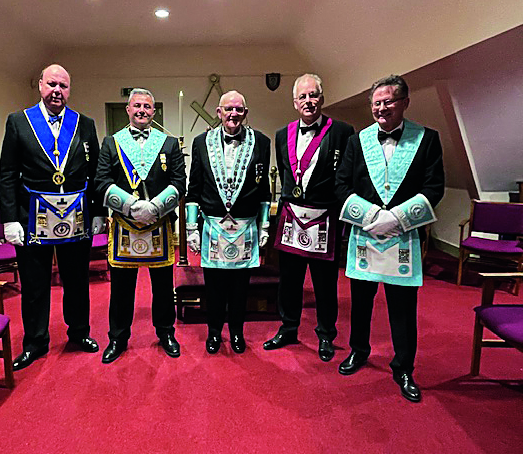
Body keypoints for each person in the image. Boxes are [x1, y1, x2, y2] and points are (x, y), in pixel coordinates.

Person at [334, 75, 444, 402]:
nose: (382, 108)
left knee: (402, 307)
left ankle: (404, 367)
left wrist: (395, 218)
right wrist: (371, 217)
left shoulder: (427, 139)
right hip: (365, 235)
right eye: (376, 103)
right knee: (361, 303)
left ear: (405, 103)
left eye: (389, 101)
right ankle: (358, 350)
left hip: (403, 236)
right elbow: (341, 186)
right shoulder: (358, 141)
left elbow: (433, 187)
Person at [0, 64, 106, 371]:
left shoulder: (84, 123)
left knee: (76, 281)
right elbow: (8, 173)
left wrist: (98, 211)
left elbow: (95, 170)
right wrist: (9, 219)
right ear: (41, 86)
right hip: (31, 217)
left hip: (77, 216)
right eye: (52, 84)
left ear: (69, 90)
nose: (57, 90)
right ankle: (34, 342)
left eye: (63, 85)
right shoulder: (19, 122)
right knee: (34, 285)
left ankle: (79, 333)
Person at [263, 74, 355, 361]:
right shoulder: (282, 134)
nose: (308, 101)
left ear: (322, 99)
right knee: (288, 280)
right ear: (294, 102)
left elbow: (346, 175)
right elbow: (286, 173)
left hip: (324, 216)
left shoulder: (342, 131)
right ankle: (288, 328)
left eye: (313, 95)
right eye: (302, 97)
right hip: (292, 215)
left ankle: (326, 334)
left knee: (325, 283)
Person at [95, 88, 186, 363]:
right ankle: (118, 338)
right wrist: (132, 207)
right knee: (121, 289)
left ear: (154, 111)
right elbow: (101, 182)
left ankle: (166, 333)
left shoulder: (169, 143)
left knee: (162, 287)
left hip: (159, 224)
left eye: (147, 106)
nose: (142, 110)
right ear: (128, 109)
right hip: (124, 224)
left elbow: (180, 183)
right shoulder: (112, 142)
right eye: (137, 106)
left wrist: (155, 207)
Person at [186, 90, 271, 354]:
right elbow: (194, 189)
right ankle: (214, 333)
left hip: (245, 226)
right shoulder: (201, 142)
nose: (233, 114)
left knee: (240, 287)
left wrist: (265, 225)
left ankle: (236, 332)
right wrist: (191, 229)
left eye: (239, 109)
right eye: (228, 109)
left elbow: (264, 188)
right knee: (214, 287)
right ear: (219, 112)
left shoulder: (262, 142)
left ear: (245, 113)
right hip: (212, 226)